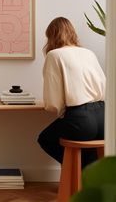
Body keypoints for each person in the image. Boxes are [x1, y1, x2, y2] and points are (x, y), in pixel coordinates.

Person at [37, 17, 106, 169]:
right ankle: (85, 180)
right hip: (104, 118)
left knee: (45, 139)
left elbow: (53, 103)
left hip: (81, 119)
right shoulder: (89, 53)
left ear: (52, 36)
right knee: (88, 147)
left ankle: (74, 173)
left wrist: (62, 111)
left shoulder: (54, 55)